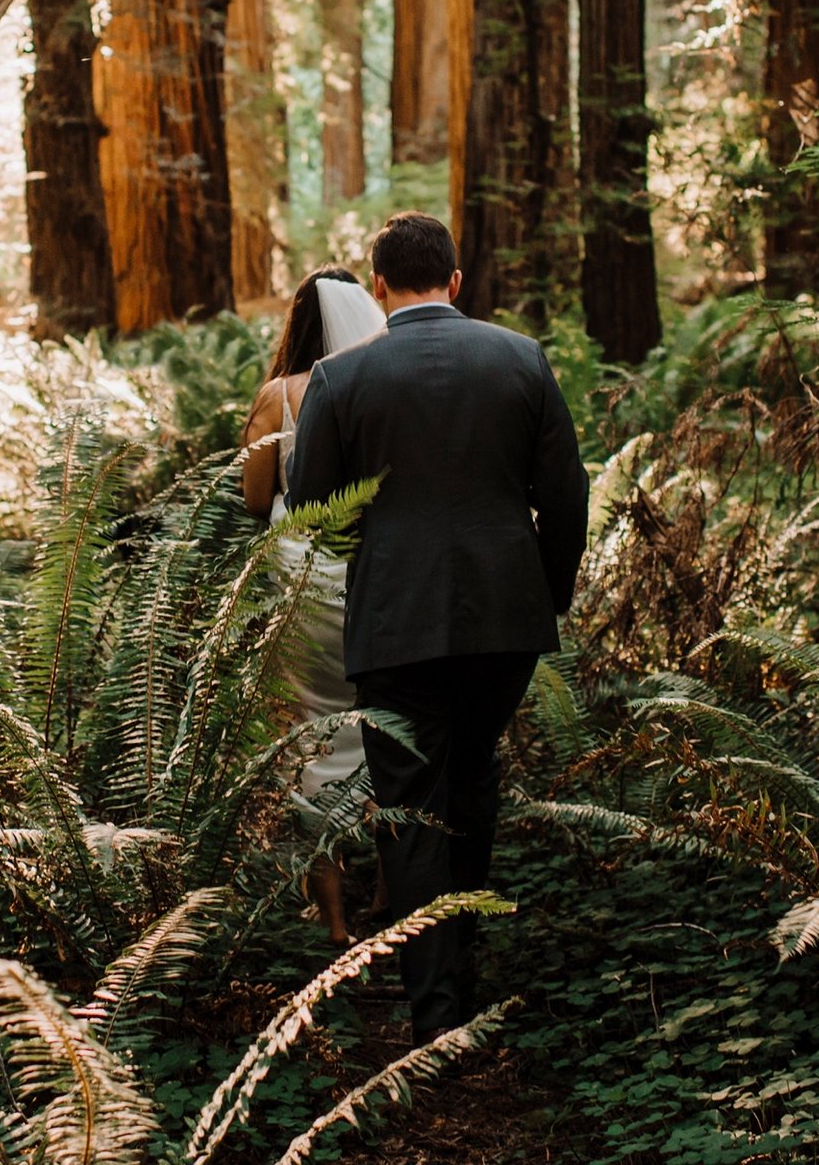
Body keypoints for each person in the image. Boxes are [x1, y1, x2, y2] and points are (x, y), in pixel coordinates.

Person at [285, 212, 590, 1042]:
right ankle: (464, 963)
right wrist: (544, 595)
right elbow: (565, 497)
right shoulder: (520, 358)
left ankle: (438, 1011)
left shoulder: (341, 380)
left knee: (410, 804)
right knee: (472, 776)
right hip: (505, 619)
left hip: (395, 622)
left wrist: (379, 556)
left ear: (379, 288)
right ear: (456, 282)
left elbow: (313, 514)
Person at [241, 265, 390, 943]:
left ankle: (331, 918)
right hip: (371, 570)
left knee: (306, 729)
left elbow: (253, 496)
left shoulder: (282, 395)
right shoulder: (385, 385)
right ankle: (391, 888)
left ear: (297, 321)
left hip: (300, 570)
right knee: (382, 719)